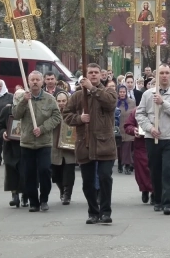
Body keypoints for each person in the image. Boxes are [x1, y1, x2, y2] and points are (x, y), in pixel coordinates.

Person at [63, 63, 117, 224]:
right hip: (84, 143)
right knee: (87, 182)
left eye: (96, 72)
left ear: (101, 75)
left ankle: (105, 212)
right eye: (90, 72)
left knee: (105, 177)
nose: (93, 75)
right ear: (85, 75)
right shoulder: (78, 96)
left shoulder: (109, 92)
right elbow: (66, 114)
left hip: (104, 143)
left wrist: (92, 90)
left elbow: (110, 104)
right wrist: (79, 119)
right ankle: (93, 212)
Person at [136, 63, 170, 215]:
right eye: (161, 73)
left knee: (168, 170)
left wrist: (163, 102)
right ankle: (157, 199)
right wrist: (150, 128)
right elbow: (140, 114)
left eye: (167, 73)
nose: (164, 75)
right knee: (155, 169)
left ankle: (167, 202)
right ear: (157, 76)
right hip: (153, 137)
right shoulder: (147, 94)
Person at [12, 70, 62, 212]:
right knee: (29, 173)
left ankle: (44, 198)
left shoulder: (49, 99)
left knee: (45, 170)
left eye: (37, 80)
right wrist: (23, 101)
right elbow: (16, 115)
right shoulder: (22, 97)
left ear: (42, 82)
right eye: (32, 80)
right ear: (28, 82)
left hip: (44, 142)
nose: (34, 82)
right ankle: (33, 201)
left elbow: (57, 117)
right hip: (27, 142)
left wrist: (43, 128)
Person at [0, 88, 28, 208]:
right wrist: (3, 133)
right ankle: (15, 196)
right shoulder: (7, 110)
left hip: (26, 146)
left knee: (25, 171)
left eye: (21, 97)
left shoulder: (29, 109)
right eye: (17, 97)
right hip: (11, 146)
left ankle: (25, 195)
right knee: (11, 171)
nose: (18, 99)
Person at [52, 91, 77, 205]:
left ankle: (67, 194)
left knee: (69, 172)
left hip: (69, 148)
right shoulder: (52, 113)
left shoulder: (73, 113)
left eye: (64, 101)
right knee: (56, 173)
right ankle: (62, 189)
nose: (61, 103)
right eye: (59, 101)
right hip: (55, 147)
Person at [116, 85, 136, 174]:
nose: (122, 93)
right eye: (120, 92)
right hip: (118, 128)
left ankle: (127, 165)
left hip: (128, 128)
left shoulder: (132, 102)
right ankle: (120, 164)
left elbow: (135, 115)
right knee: (119, 148)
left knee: (127, 148)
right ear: (118, 93)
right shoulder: (115, 102)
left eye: (124, 92)